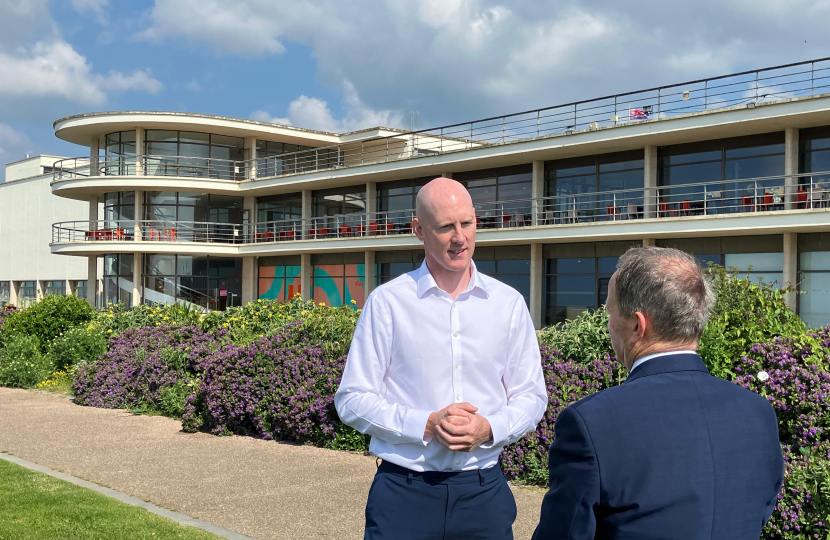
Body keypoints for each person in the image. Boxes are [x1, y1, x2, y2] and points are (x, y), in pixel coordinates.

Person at [335, 177, 547, 540]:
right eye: (446, 227)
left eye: (466, 223)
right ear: (419, 230)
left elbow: (532, 396)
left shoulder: (508, 303)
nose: (460, 237)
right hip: (404, 493)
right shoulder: (388, 303)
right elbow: (352, 400)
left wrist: (489, 429)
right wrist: (426, 424)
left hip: (484, 492)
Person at [533, 246, 784, 540]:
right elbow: (761, 507)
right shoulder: (757, 411)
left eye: (609, 312)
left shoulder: (592, 423)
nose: (609, 324)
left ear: (638, 325)